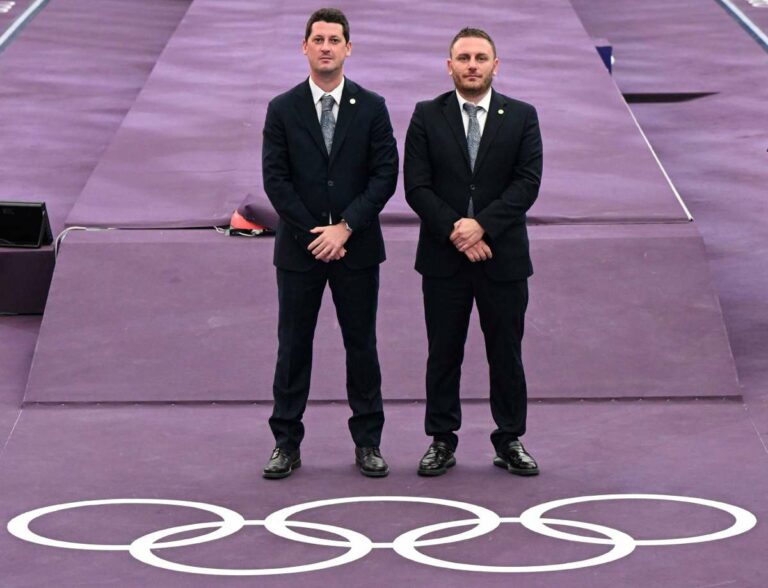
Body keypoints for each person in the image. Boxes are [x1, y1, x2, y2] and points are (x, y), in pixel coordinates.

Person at [261, 8, 398, 479]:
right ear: (304, 47)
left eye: (334, 39)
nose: (325, 47)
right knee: (293, 348)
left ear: (348, 48)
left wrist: (346, 227)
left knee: (362, 346)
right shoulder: (282, 108)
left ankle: (368, 442)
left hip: (356, 249)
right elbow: (276, 180)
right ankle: (285, 443)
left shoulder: (373, 106)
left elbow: (385, 175)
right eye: (317, 39)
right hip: (299, 251)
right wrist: (315, 234)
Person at [404, 27, 543, 477]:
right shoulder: (426, 115)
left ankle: (510, 438)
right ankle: (441, 440)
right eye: (463, 58)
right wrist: (457, 231)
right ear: (449, 66)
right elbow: (416, 186)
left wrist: (481, 225)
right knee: (444, 352)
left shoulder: (522, 116)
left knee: (506, 353)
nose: (472, 65)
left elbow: (527, 183)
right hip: (443, 261)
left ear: (495, 65)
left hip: (503, 259)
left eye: (480, 58)